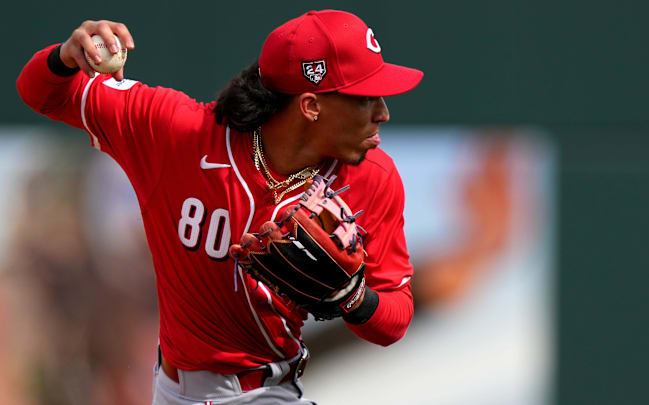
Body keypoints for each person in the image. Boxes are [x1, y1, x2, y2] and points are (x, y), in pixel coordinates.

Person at [16, 9, 423, 405]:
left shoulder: (373, 178)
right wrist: (63, 57)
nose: (382, 113)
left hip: (267, 390)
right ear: (311, 106)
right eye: (364, 98)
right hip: (170, 390)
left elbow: (395, 319)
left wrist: (352, 298)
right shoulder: (178, 133)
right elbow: (40, 92)